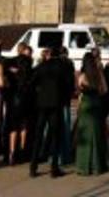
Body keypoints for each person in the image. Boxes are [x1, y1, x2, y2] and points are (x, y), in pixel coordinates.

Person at [29, 47, 67, 178]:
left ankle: (33, 166)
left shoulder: (41, 66)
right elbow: (66, 84)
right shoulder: (61, 67)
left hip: (43, 103)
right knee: (55, 135)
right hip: (56, 103)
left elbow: (32, 82)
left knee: (38, 135)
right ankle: (54, 167)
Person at [73, 52, 109, 175]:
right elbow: (105, 90)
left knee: (85, 134)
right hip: (97, 104)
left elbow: (79, 93)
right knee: (97, 133)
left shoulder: (83, 76)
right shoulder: (99, 75)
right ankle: (98, 164)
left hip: (86, 105)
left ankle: (84, 166)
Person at [5, 45, 33, 164]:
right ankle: (22, 151)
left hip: (14, 97)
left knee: (13, 127)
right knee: (23, 126)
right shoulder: (29, 67)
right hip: (26, 97)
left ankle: (12, 152)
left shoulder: (12, 63)